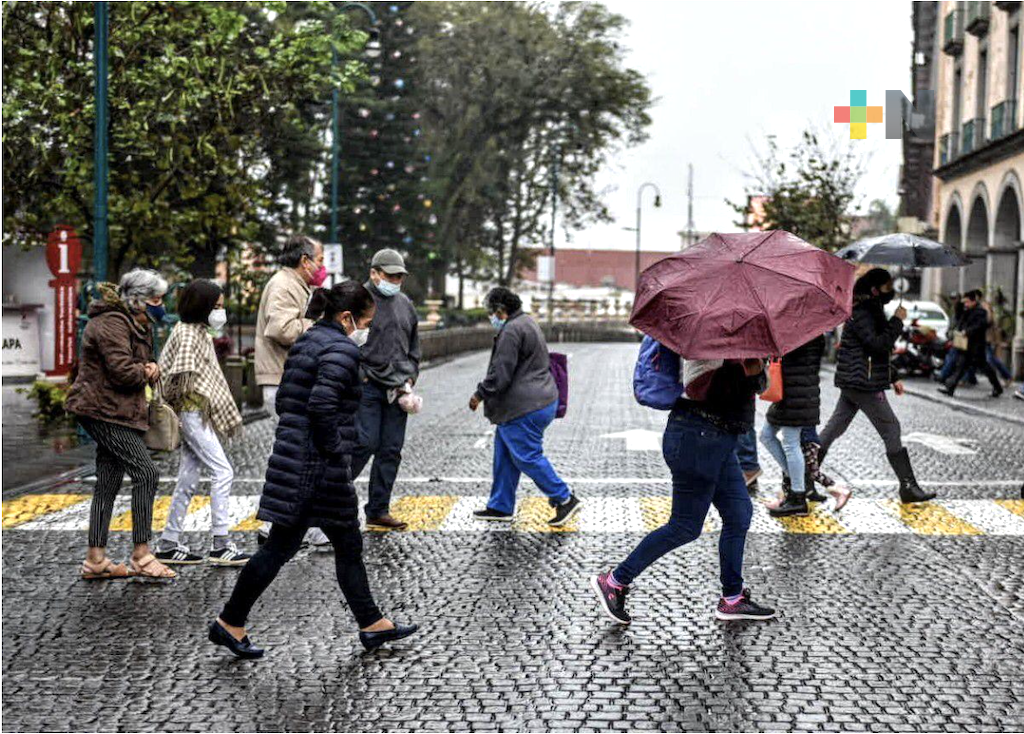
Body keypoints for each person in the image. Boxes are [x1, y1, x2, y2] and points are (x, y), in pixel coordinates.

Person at [209, 281, 417, 658]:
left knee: (321, 544)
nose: (365, 331)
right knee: (302, 546)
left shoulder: (308, 341)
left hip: (299, 460)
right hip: (318, 467)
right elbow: (322, 407)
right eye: (365, 322)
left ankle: (370, 623)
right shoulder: (340, 350)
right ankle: (230, 621)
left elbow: (290, 398)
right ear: (346, 317)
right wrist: (338, 450)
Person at [591, 358, 775, 625]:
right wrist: (740, 366)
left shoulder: (746, 340)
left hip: (721, 439)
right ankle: (614, 581)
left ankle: (732, 599)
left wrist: (756, 367)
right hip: (696, 436)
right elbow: (699, 388)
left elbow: (760, 387)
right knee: (685, 526)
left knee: (739, 513)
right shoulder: (704, 341)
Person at [65, 270, 176, 580]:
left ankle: (95, 560)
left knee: (109, 482)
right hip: (103, 410)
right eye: (156, 299)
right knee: (147, 472)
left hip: (115, 410)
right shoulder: (111, 324)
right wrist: (149, 370)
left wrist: (147, 367)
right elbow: (123, 372)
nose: (161, 305)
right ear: (138, 300)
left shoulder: (132, 322)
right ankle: (141, 554)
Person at [154, 280, 249, 566]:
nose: (220, 312)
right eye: (216, 307)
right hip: (192, 415)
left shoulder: (196, 332)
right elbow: (179, 378)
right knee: (223, 472)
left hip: (194, 414)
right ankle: (220, 544)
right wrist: (183, 414)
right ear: (202, 306)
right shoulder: (188, 335)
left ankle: (168, 543)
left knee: (188, 478)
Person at [818, 268, 933, 504]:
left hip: (858, 379)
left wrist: (892, 376)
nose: (891, 291)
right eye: (887, 286)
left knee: (833, 429)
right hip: (863, 383)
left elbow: (872, 353)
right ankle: (908, 487)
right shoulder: (864, 311)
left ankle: (803, 479)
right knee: (891, 428)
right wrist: (898, 321)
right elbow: (877, 345)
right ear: (874, 288)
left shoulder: (869, 309)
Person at [469, 287, 581, 526]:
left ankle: (564, 498)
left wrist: (480, 393)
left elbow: (501, 373)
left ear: (500, 310)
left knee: (527, 456)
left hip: (524, 407)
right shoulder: (527, 321)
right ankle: (500, 506)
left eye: (491, 312)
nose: (491, 317)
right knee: (505, 454)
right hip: (540, 400)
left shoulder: (511, 330)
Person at [254, 234, 330, 548]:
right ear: (304, 261)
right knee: (296, 455)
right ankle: (275, 526)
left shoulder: (295, 285)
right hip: (283, 381)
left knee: (301, 455)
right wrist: (321, 326)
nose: (322, 266)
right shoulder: (283, 285)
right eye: (320, 260)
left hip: (291, 380)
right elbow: (281, 329)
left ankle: (300, 526)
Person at [349, 249, 421, 530]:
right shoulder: (357, 301)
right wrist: (360, 375)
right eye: (390, 275)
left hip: (398, 388)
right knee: (364, 442)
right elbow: (346, 340)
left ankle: (378, 509)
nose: (395, 280)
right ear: (374, 273)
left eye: (399, 276)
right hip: (366, 386)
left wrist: (411, 375)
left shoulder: (405, 303)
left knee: (391, 448)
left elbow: (415, 344)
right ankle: (331, 496)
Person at [760, 336, 826, 518]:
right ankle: (798, 481)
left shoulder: (801, 334)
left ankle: (798, 498)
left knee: (790, 443)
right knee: (766, 435)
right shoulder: (811, 332)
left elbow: (792, 358)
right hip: (790, 393)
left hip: (796, 394)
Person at [939, 290, 1003, 398]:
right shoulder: (966, 310)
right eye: (965, 302)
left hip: (977, 346)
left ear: (974, 301)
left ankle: (997, 387)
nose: (966, 304)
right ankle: (950, 387)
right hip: (966, 346)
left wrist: (967, 332)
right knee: (961, 366)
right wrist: (959, 303)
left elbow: (980, 325)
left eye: (968, 302)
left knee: (985, 367)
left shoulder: (981, 312)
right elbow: (959, 317)